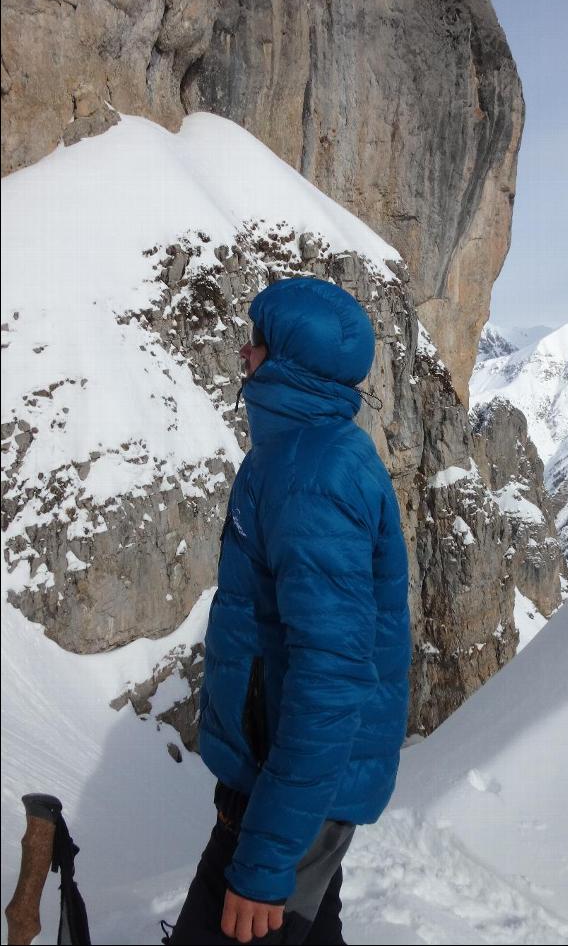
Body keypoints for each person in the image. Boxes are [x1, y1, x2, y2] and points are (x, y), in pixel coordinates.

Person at [168, 276, 411, 945]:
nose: (244, 356)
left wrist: (267, 857)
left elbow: (329, 677)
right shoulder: (305, 453)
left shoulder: (310, 474)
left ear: (287, 364)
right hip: (293, 782)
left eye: (257, 344)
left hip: (289, 794)